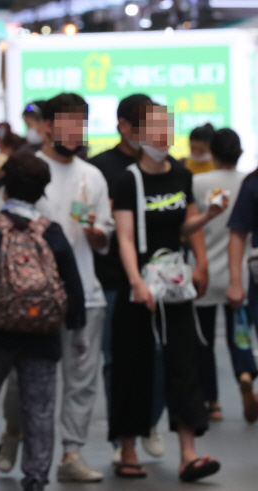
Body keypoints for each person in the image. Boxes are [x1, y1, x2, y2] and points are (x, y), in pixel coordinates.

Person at [0, 151, 86, 491]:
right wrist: (77, 330)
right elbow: (72, 284)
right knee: (39, 412)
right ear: (41, 192)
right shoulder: (51, 232)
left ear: (5, 190)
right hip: (42, 336)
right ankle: (36, 479)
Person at [0, 93, 111, 483]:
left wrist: (95, 230)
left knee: (82, 377)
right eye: (67, 123)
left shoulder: (92, 176)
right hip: (28, 296)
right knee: (21, 377)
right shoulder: (27, 168)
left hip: (85, 294)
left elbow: (104, 238)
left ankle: (71, 453)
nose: (75, 132)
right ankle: (14, 429)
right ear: (46, 126)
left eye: (82, 124)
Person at [110, 102, 225, 481]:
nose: (162, 136)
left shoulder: (180, 173)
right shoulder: (128, 180)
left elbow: (185, 224)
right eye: (154, 129)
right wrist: (136, 282)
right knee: (132, 365)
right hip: (139, 285)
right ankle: (128, 449)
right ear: (138, 135)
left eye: (167, 128)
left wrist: (208, 218)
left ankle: (188, 453)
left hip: (175, 283)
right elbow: (124, 236)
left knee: (183, 362)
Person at [91, 94, 172, 463]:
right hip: (112, 280)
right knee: (116, 360)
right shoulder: (101, 168)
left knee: (158, 354)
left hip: (161, 279)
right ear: (124, 126)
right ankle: (121, 435)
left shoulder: (170, 168)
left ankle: (149, 421)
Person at [192, 128, 258, 423]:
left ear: (212, 153)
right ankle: (244, 372)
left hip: (204, 269)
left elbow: (191, 224)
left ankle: (213, 402)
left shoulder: (197, 182)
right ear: (240, 152)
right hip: (240, 273)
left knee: (204, 341)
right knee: (239, 333)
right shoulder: (246, 181)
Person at [226, 162, 258, 422]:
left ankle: (246, 374)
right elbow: (237, 234)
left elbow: (238, 234)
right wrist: (236, 281)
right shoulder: (253, 183)